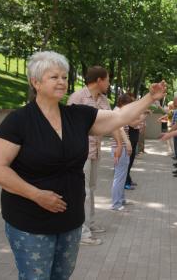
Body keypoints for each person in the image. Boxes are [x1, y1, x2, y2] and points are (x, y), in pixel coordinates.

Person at [0, 51, 166, 280]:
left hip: (70, 219)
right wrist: (36, 195)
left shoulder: (77, 116)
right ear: (36, 82)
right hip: (30, 220)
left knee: (62, 276)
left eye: (64, 76)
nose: (62, 81)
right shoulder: (19, 121)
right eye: (54, 77)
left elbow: (118, 118)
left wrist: (150, 97)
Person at [67, 66, 123, 245]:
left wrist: (120, 143)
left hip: (95, 151)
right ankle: (81, 232)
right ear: (99, 80)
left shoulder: (104, 100)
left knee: (91, 189)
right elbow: (68, 127)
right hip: (79, 153)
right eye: (107, 80)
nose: (109, 83)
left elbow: (112, 122)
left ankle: (90, 224)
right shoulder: (77, 98)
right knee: (83, 191)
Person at [110, 93, 134, 211]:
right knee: (119, 176)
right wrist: (128, 143)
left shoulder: (119, 111)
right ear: (124, 103)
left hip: (121, 147)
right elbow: (120, 129)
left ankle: (121, 199)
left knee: (122, 175)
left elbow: (131, 124)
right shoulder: (117, 112)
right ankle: (116, 203)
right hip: (120, 148)